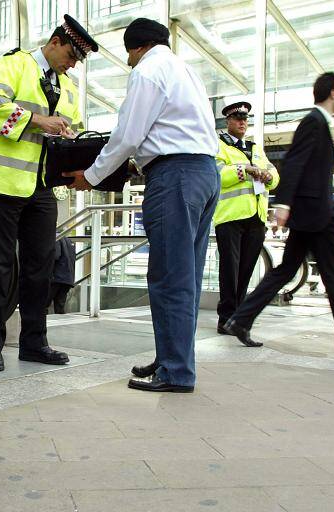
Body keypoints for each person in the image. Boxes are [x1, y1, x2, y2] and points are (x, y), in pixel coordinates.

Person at [67, 18, 219, 393]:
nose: (130, 64)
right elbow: (166, 131)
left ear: (136, 47)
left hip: (175, 178)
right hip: (203, 174)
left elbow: (127, 135)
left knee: (169, 277)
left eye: (128, 57)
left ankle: (176, 371)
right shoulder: (185, 70)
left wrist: (93, 175)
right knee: (186, 277)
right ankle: (172, 355)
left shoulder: (148, 70)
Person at [225, 73, 334, 355]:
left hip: (312, 212)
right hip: (316, 214)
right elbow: (294, 164)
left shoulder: (321, 125)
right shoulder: (314, 122)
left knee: (287, 270)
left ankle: (241, 319)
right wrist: (284, 205)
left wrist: (332, 154)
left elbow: (312, 168)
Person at [0, 15, 98, 372]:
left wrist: (74, 141)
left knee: (40, 266)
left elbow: (72, 130)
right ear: (57, 41)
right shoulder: (15, 64)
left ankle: (33, 342)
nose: (73, 64)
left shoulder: (70, 88)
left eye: (78, 60)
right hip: (3, 182)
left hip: (44, 187)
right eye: (72, 55)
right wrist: (36, 121)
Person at [214, 102, 279, 339]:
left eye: (245, 118)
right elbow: (218, 176)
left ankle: (237, 318)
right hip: (230, 216)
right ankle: (225, 318)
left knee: (246, 269)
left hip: (256, 216)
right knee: (230, 270)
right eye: (237, 118)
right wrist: (246, 170)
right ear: (227, 121)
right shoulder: (219, 147)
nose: (242, 122)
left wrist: (267, 175)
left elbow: (275, 177)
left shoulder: (256, 148)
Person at [48, 237, 75, 314]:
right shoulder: (69, 240)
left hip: (56, 277)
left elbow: (55, 255)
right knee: (60, 305)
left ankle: (41, 324)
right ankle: (58, 323)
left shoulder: (56, 238)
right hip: (68, 278)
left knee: (44, 303)